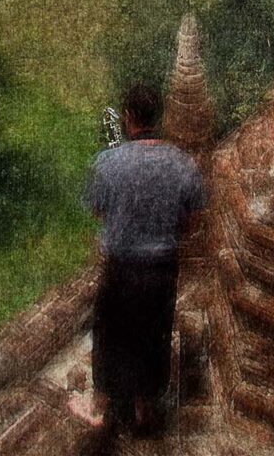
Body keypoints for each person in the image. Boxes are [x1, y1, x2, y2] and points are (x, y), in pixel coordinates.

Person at [71, 83, 206, 437]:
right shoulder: (184, 164)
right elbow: (191, 220)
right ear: (156, 117)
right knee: (154, 334)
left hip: (122, 267)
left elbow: (99, 211)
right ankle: (145, 406)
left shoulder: (108, 163)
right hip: (162, 268)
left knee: (112, 334)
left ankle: (101, 406)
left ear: (129, 118)